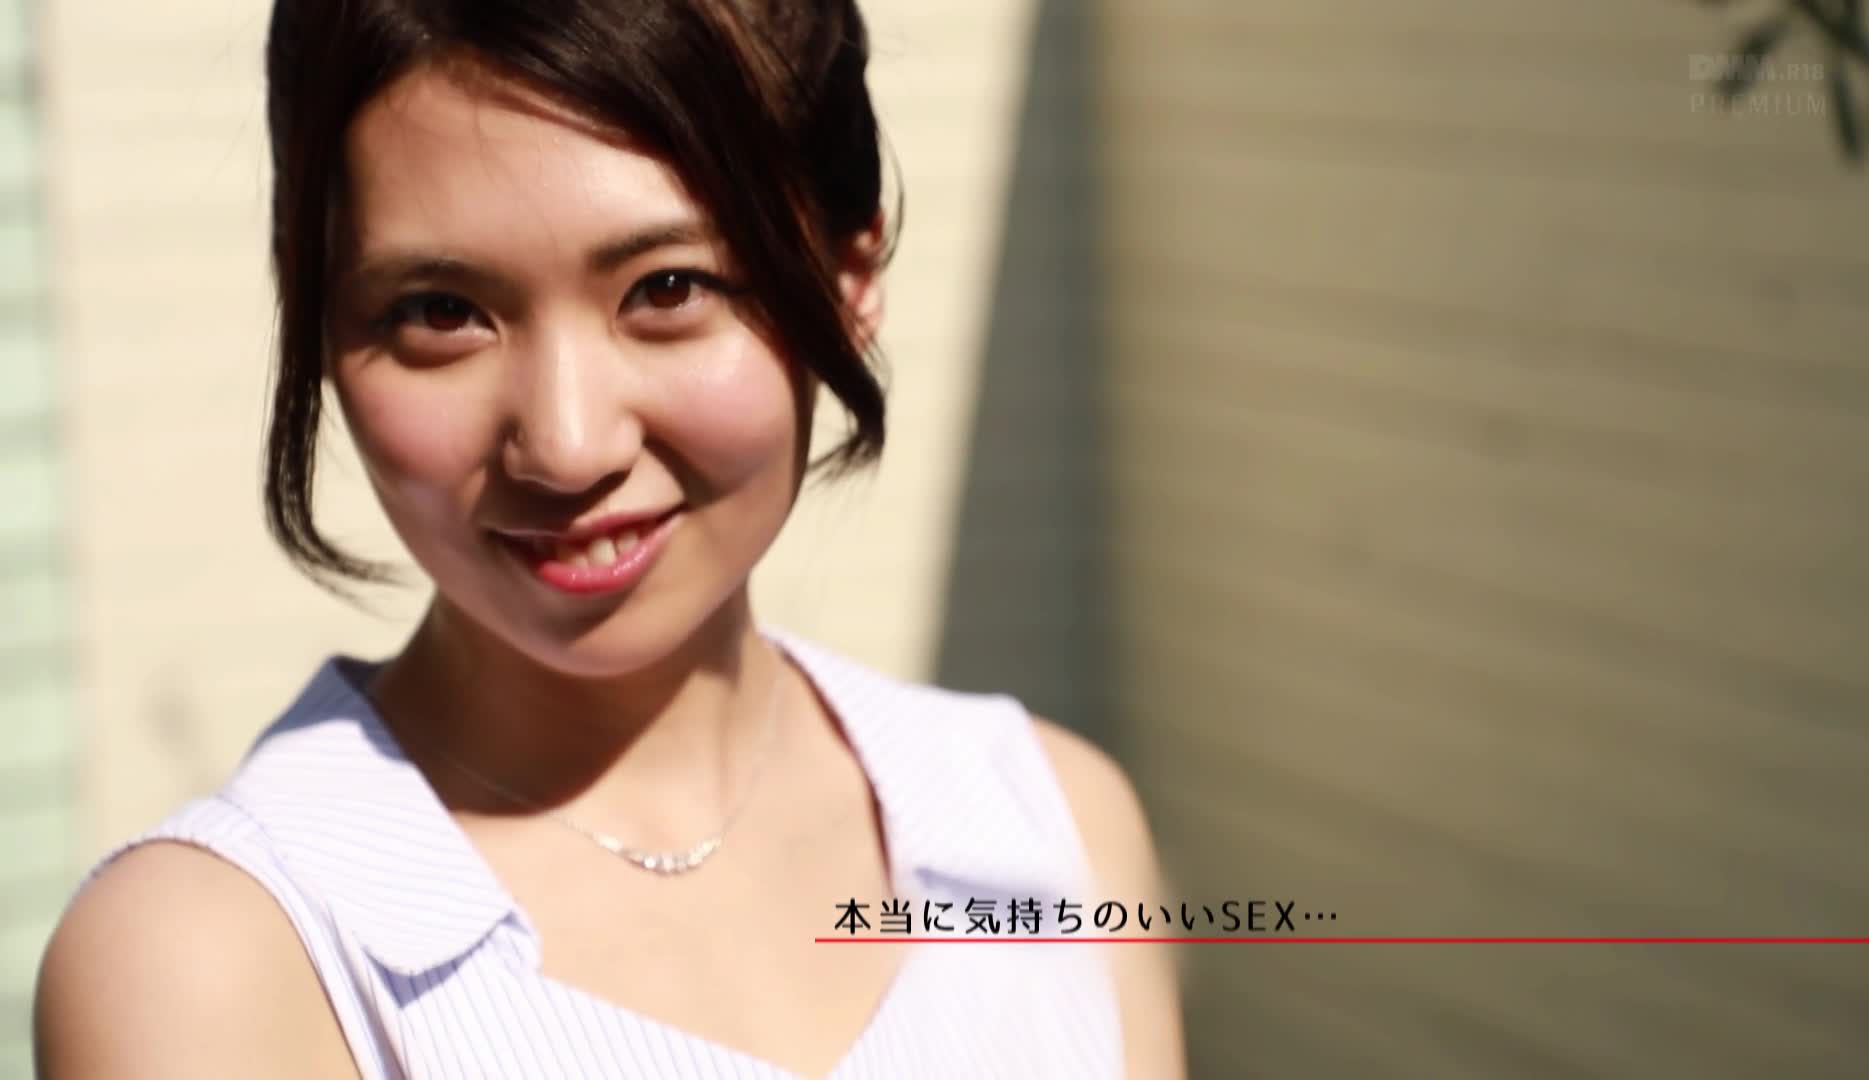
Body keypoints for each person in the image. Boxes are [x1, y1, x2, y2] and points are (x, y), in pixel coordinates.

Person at [33, 1, 1185, 1077]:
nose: (567, 444)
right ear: (323, 319)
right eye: (441, 312)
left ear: (849, 276)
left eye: (668, 287)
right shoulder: (216, 967)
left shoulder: (1051, 824)